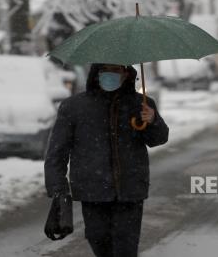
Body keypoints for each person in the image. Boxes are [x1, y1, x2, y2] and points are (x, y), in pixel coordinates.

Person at [44, 63, 169, 257]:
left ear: (126, 74)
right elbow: (57, 152)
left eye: (115, 70)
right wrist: (58, 189)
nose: (109, 75)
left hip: (130, 191)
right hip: (92, 191)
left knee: (125, 249)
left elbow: (158, 139)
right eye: (104, 71)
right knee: (99, 241)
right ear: (96, 73)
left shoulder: (141, 104)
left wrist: (153, 121)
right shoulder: (74, 107)